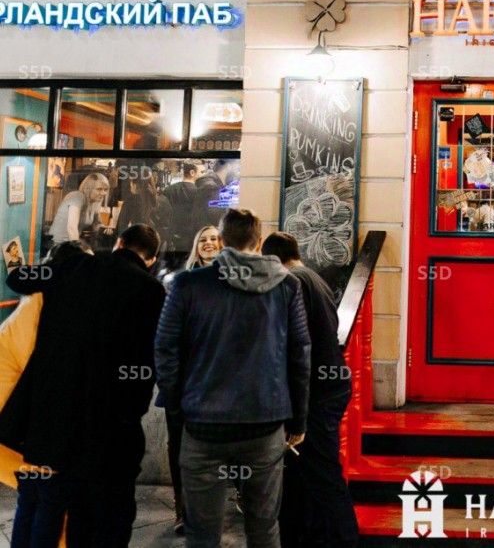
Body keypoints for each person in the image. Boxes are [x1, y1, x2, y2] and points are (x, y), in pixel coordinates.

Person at [155, 208, 311, 548]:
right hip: (265, 421)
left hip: (203, 422)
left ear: (223, 241)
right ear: (259, 242)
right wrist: (298, 419)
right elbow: (299, 354)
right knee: (264, 527)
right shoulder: (287, 285)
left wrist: (179, 405)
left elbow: (165, 348)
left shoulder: (188, 284)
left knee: (202, 533)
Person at [1, 226, 164, 548]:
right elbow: (147, 361)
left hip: (55, 414)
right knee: (102, 508)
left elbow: (18, 280)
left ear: (119, 242)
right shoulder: (151, 289)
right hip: (110, 422)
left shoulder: (76, 266)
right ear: (152, 259)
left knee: (52, 501)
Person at [262, 232, 358, 548]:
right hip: (329, 384)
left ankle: (343, 538)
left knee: (322, 472)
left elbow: (297, 347)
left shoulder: (293, 282)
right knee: (309, 471)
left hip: (317, 391)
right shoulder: (314, 278)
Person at [157, 224, 222, 535]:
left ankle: (211, 509)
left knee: (217, 449)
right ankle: (182, 510)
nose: (209, 244)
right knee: (179, 447)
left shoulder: (233, 281)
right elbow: (166, 338)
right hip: (184, 382)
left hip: (218, 383)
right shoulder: (180, 283)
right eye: (203, 240)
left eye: (214, 239)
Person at [49, 172, 112, 248]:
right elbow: (72, 228)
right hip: (58, 245)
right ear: (88, 189)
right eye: (99, 189)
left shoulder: (94, 203)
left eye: (105, 190)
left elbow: (96, 224)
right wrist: (80, 250)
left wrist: (104, 228)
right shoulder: (77, 196)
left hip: (71, 244)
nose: (103, 193)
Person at [162, 163, 202, 258]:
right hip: (192, 238)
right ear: (192, 173)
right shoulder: (200, 192)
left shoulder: (168, 190)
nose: (202, 175)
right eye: (201, 172)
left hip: (172, 238)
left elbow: (164, 215)